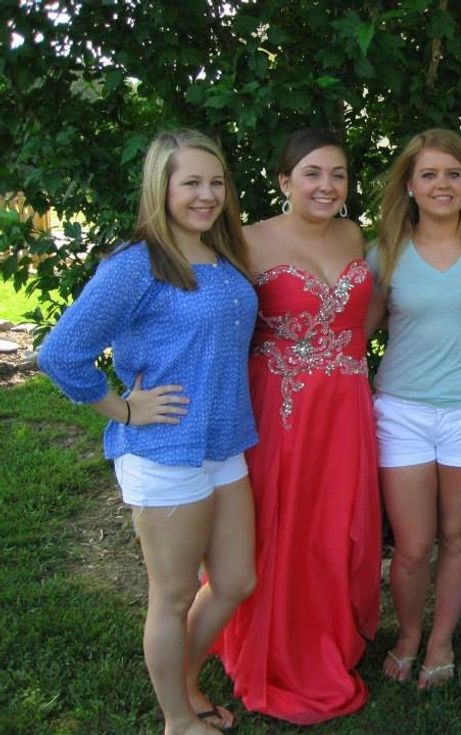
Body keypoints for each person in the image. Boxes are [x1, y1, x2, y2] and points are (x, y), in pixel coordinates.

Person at [39, 130, 257, 735]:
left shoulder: (222, 255)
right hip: (164, 449)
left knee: (236, 581)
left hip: (224, 443)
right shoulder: (136, 264)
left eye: (216, 183)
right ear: (161, 187)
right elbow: (60, 353)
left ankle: (183, 680)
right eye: (191, 183)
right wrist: (124, 409)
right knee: (175, 594)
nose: (206, 195)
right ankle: (177, 719)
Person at [212, 129, 381, 724]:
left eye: (338, 174)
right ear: (285, 181)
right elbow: (213, 320)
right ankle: (278, 647)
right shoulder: (246, 240)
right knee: (281, 524)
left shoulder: (353, 234)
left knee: (333, 524)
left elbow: (365, 312)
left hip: (345, 406)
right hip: (280, 409)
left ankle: (327, 635)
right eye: (312, 173)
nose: (326, 186)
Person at [368, 129, 461, 689]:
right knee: (412, 544)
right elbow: (358, 330)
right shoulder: (385, 251)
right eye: (428, 174)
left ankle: (441, 639)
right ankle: (407, 634)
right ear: (409, 186)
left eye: (453, 173)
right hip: (401, 410)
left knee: (457, 534)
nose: (441, 184)